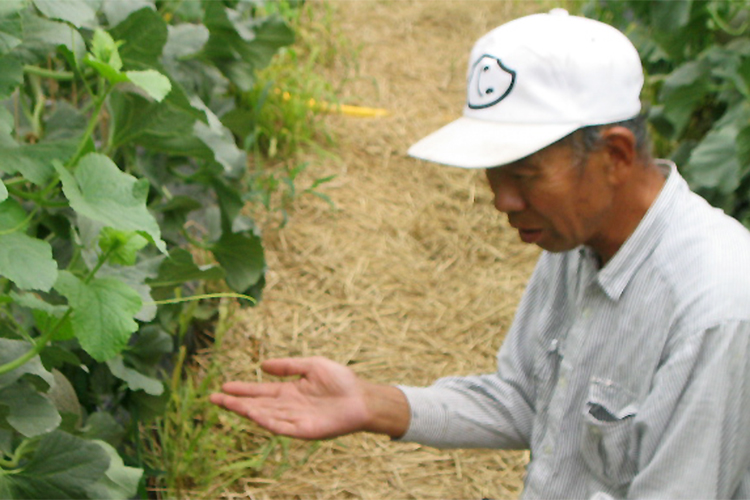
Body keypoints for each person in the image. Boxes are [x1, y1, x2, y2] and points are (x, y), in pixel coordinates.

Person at [211, 9, 750, 499]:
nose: (502, 200)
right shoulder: (580, 235)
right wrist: (374, 403)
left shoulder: (715, 309)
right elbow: (526, 399)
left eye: (523, 174)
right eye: (493, 173)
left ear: (614, 155)